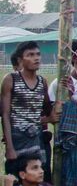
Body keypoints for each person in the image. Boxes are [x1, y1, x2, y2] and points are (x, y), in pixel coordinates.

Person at [3, 41, 53, 175]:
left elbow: (48, 110)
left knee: (38, 176)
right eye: (30, 55)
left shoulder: (42, 82)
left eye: (38, 54)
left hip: (36, 137)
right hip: (17, 138)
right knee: (17, 176)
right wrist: (9, 147)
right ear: (20, 60)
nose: (36, 58)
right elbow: (5, 114)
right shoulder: (11, 79)